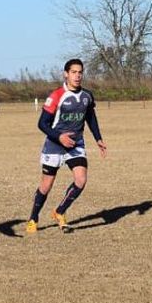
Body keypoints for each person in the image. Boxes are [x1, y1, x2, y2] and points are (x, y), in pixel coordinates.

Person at [25, 58, 106, 234]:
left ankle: (59, 212)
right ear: (66, 74)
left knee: (81, 180)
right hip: (55, 144)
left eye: (80, 72)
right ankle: (33, 218)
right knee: (46, 186)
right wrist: (59, 137)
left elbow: (90, 117)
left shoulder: (87, 96)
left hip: (76, 144)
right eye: (74, 72)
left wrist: (98, 138)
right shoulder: (56, 96)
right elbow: (42, 124)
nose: (77, 76)